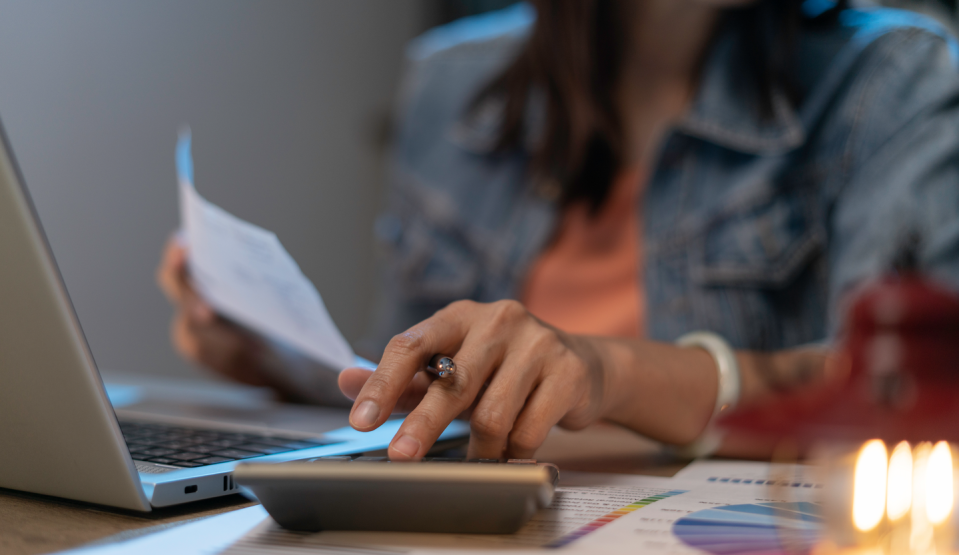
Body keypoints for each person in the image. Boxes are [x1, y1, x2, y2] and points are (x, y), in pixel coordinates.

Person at [159, 0, 959, 461]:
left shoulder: (891, 84)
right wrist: (276, 358)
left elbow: (907, 396)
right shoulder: (449, 84)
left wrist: (604, 369)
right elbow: (417, 386)